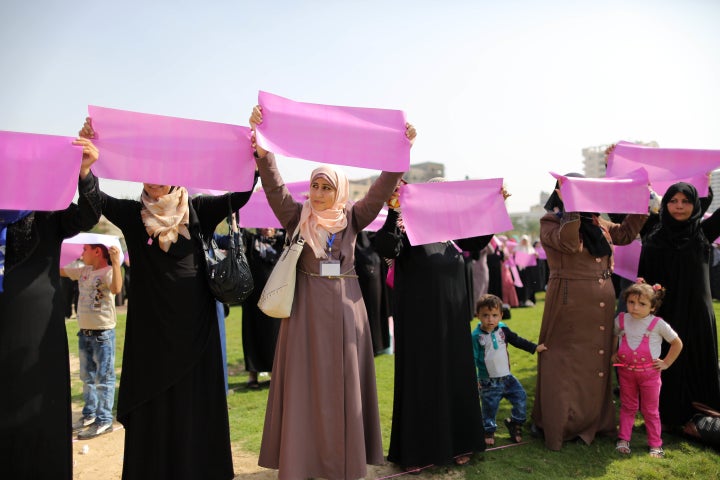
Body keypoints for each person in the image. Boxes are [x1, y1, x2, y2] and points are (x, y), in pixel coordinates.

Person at [78, 118, 256, 480]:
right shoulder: (132, 215)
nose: (154, 177)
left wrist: (254, 155)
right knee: (154, 409)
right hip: (151, 336)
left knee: (195, 407)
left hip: (197, 331)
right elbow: (96, 200)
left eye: (162, 170)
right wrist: (86, 167)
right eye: (146, 171)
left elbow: (240, 195)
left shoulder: (199, 209)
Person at [250, 105, 415, 480]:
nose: (320, 193)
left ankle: (344, 460)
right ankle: (302, 460)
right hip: (305, 312)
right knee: (305, 387)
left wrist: (400, 151)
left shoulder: (354, 218)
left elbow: (381, 189)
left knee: (344, 386)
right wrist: (263, 148)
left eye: (327, 187)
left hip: (345, 311)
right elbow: (274, 186)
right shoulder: (296, 218)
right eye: (315, 186)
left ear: (339, 189)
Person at [373, 179, 500, 472]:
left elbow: (478, 242)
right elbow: (385, 245)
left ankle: (460, 444)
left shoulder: (452, 227)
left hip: (453, 320)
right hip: (419, 322)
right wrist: (394, 210)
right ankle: (416, 451)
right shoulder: (407, 224)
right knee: (422, 379)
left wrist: (493, 204)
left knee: (455, 376)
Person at [0, 137, 101, 478]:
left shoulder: (47, 211)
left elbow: (88, 214)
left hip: (38, 334)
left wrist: (84, 172)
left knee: (39, 405)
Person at [531, 174, 647, 451]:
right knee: (563, 362)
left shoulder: (598, 222)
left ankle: (593, 421)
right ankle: (560, 422)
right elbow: (570, 244)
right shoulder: (552, 221)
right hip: (569, 302)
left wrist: (641, 201)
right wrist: (570, 206)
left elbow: (625, 234)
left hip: (601, 304)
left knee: (596, 362)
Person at [638, 182, 720, 431]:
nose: (679, 206)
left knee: (698, 360)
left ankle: (703, 416)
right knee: (666, 360)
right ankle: (669, 417)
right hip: (666, 313)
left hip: (697, 313)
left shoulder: (703, 232)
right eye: (673, 200)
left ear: (695, 204)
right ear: (665, 203)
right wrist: (613, 164)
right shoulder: (653, 230)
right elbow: (622, 211)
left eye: (685, 201)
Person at [612, 281, 682, 458]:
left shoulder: (657, 324)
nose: (635, 307)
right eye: (631, 302)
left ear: (652, 307)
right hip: (626, 373)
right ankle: (623, 439)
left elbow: (676, 343)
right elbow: (614, 335)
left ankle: (655, 444)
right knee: (628, 406)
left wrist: (666, 363)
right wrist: (614, 353)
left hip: (650, 375)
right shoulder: (621, 319)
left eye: (642, 304)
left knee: (650, 410)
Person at [61, 243, 123, 439]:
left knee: (103, 379)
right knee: (87, 377)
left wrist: (115, 263)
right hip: (84, 333)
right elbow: (61, 270)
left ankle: (104, 420)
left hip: (102, 335)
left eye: (85, 249)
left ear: (97, 252)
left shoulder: (108, 272)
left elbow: (116, 288)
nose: (81, 252)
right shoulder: (83, 271)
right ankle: (89, 414)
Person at [472, 294, 547, 446]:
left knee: (520, 397)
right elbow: (472, 359)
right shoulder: (476, 336)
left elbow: (517, 340)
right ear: (478, 315)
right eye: (485, 315)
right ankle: (488, 430)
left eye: (494, 315)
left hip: (507, 378)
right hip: (488, 382)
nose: (490, 319)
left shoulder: (503, 330)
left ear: (501, 315)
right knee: (489, 408)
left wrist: (534, 348)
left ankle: (515, 423)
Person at [241, 227, 285, 388]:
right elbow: (237, 229)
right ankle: (253, 376)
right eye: (264, 225)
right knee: (252, 334)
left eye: (270, 224)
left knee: (274, 336)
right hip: (254, 299)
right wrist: (233, 216)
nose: (267, 228)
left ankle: (275, 374)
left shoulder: (282, 241)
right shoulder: (251, 241)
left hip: (276, 299)